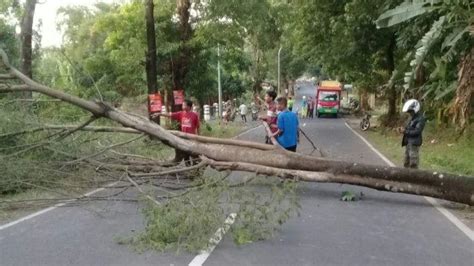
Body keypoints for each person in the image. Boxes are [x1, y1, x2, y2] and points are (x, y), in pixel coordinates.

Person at [152, 99, 200, 164]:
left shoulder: (194, 115)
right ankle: (188, 168)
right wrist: (159, 114)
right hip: (183, 139)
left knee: (194, 155)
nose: (182, 106)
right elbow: (170, 114)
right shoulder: (181, 114)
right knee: (185, 155)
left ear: (189, 107)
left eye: (184, 105)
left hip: (192, 139)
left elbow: (197, 127)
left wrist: (198, 138)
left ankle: (196, 170)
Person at [400, 99, 426, 169]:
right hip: (408, 142)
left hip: (414, 143)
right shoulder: (411, 118)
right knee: (406, 162)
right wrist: (403, 129)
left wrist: (405, 131)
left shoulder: (420, 119)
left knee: (413, 164)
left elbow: (417, 131)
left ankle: (414, 178)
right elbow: (408, 127)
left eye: (410, 111)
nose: (409, 113)